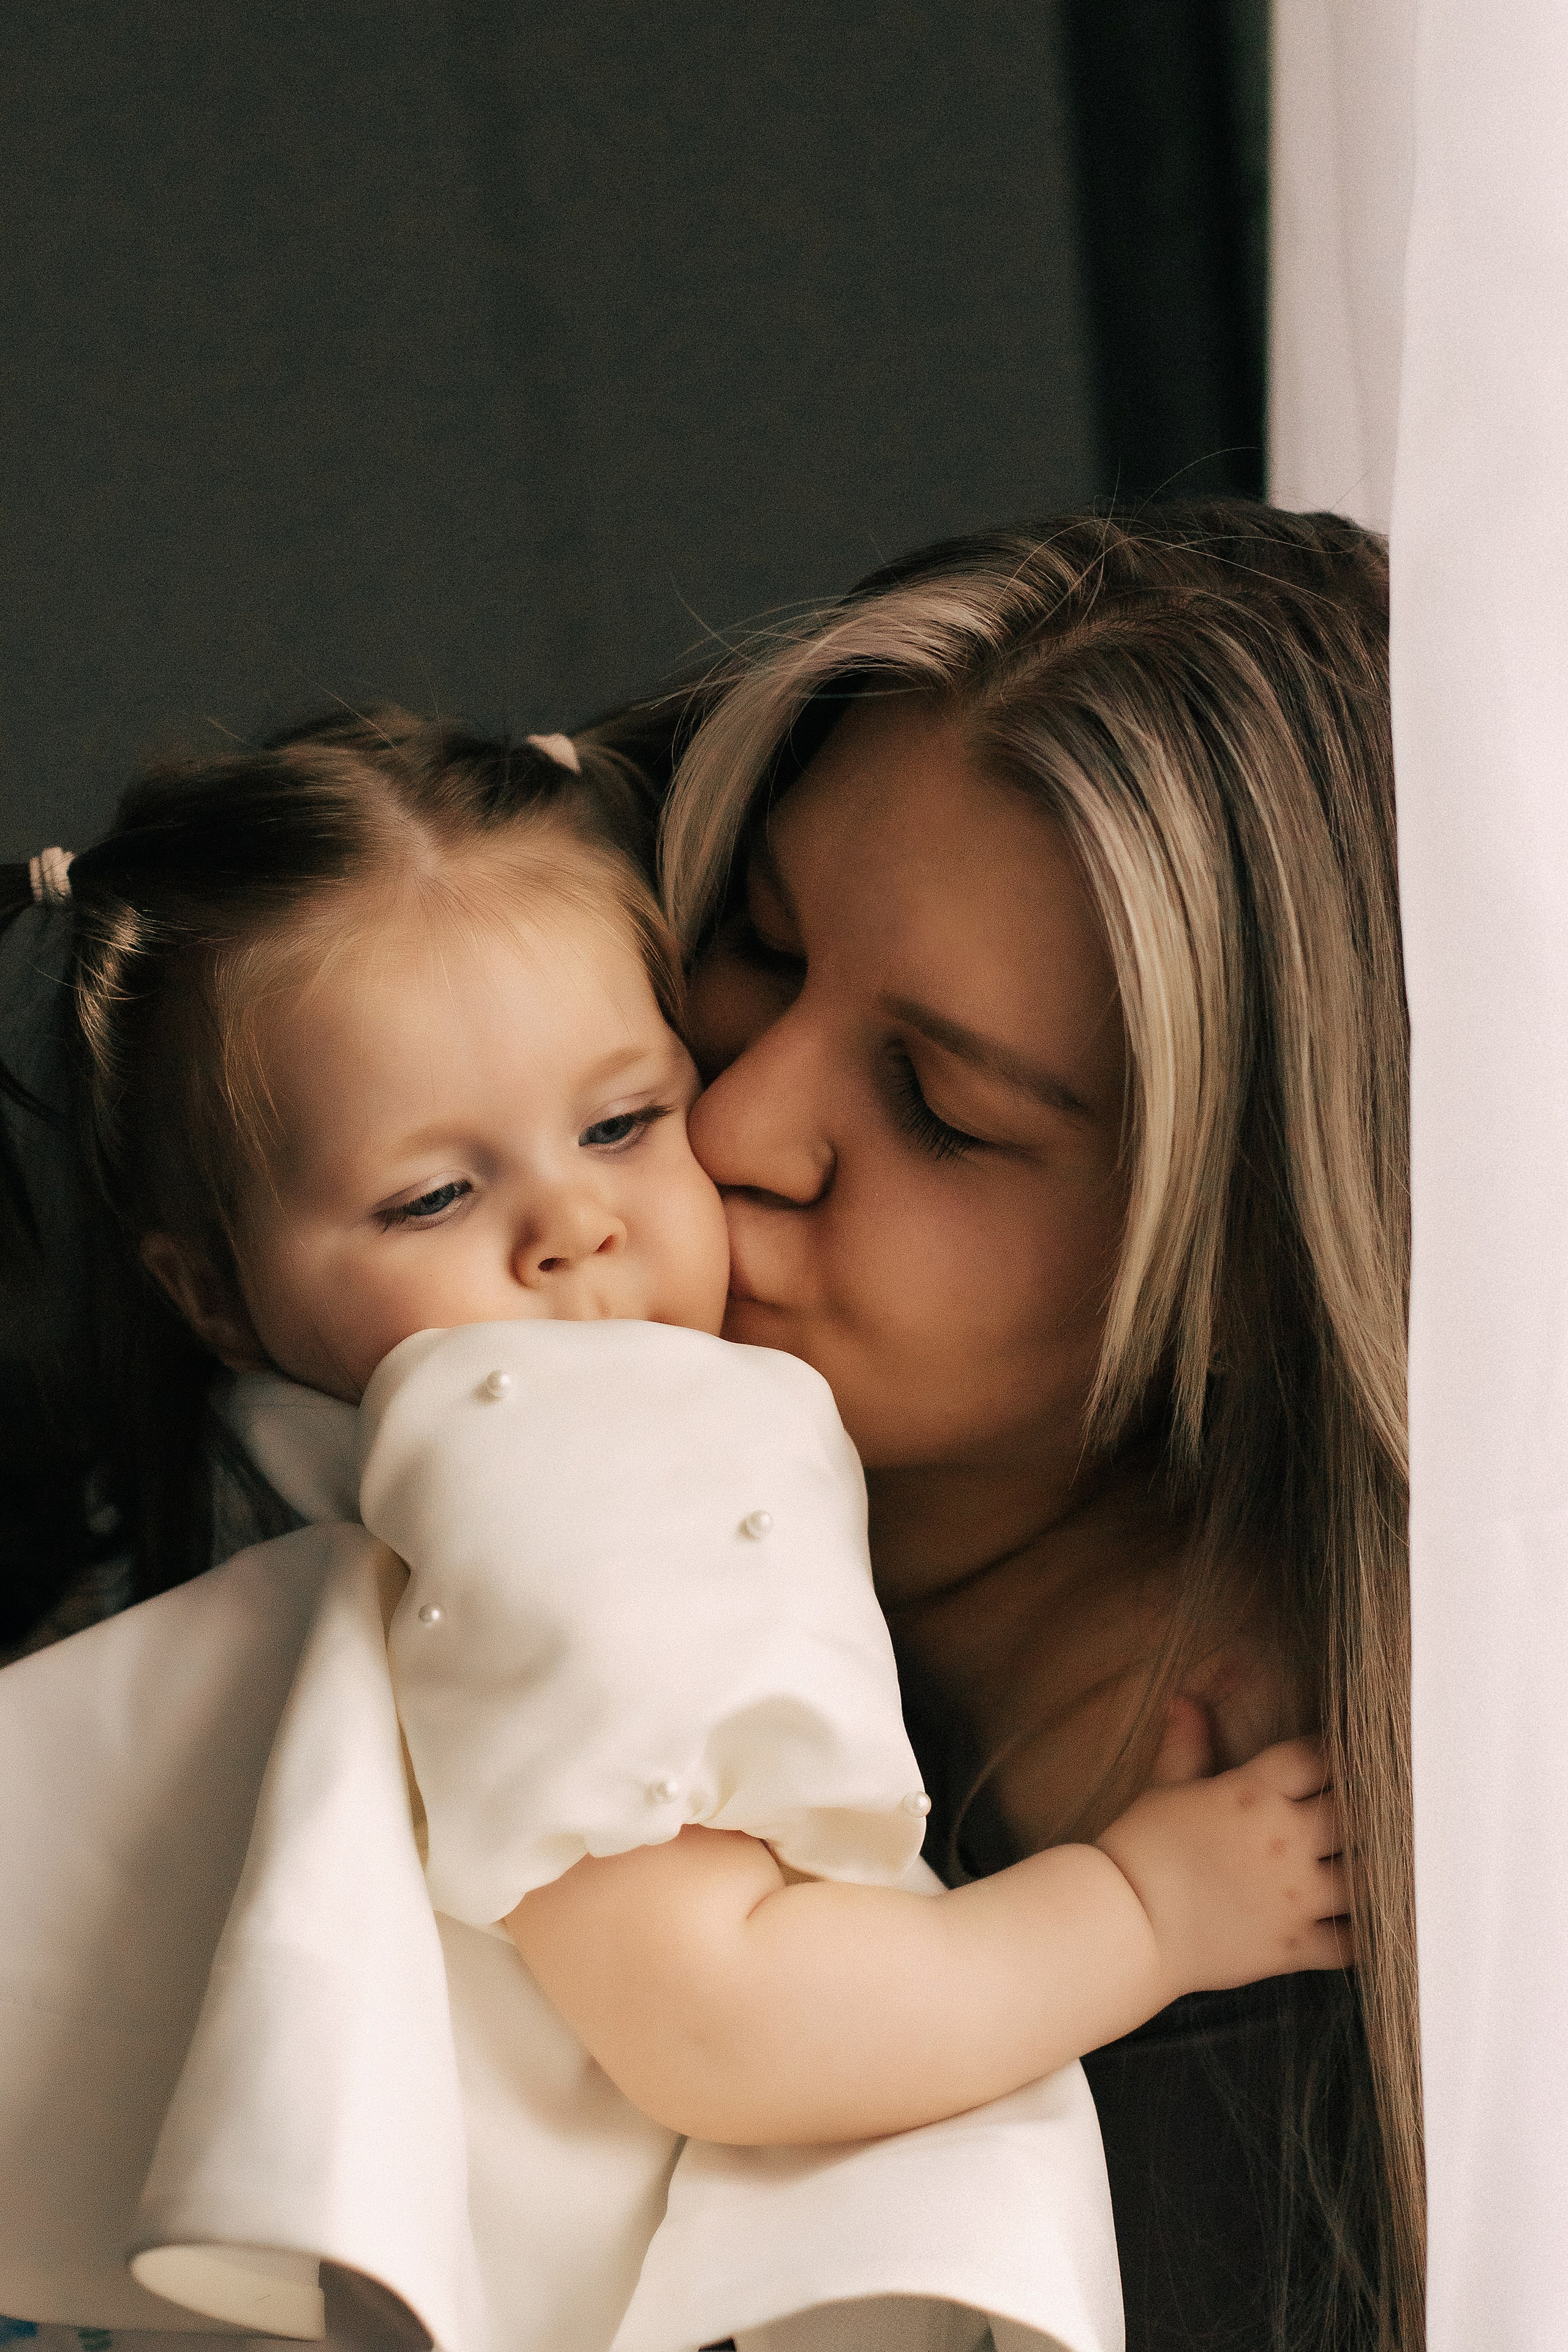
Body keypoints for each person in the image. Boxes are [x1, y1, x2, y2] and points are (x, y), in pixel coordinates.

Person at [0, 709, 1344, 2352]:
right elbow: (725, 2028)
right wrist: (1149, 1910)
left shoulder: (288, 1503)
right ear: (209, 1290)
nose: (579, 1226)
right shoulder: (563, 1451)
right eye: (434, 1198)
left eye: (627, 1119)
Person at [590, 500, 1415, 2352]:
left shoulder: (1282, 1900)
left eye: (942, 1108)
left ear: (1245, 1269)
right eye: (758, 944)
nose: (738, 1129)